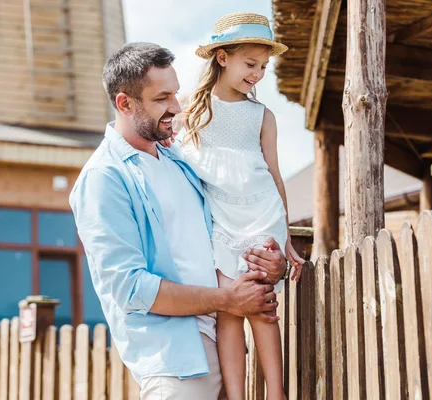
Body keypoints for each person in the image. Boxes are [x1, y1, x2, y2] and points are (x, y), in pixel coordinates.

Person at [69, 41, 289, 400]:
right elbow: (131, 288)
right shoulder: (103, 178)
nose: (175, 106)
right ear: (125, 103)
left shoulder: (180, 160)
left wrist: (272, 260)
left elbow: (233, 223)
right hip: (176, 368)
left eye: (174, 93)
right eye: (161, 98)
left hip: (223, 347)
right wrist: (226, 300)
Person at [166, 12, 304, 400]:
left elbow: (275, 176)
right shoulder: (192, 108)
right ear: (222, 57)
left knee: (259, 305)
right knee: (228, 309)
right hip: (220, 219)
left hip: (262, 215)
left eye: (263, 66)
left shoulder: (262, 115)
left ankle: (276, 394)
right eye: (250, 63)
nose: (258, 73)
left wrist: (287, 237)